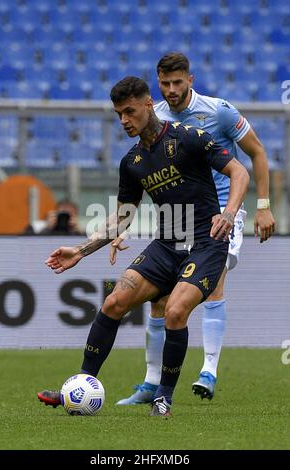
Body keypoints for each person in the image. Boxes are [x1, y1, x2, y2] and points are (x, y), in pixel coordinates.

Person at [38, 76, 249, 417]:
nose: (124, 120)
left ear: (148, 104)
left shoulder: (189, 138)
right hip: (166, 245)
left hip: (206, 245)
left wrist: (229, 213)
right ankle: (79, 386)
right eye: (118, 114)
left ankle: (163, 397)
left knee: (176, 310)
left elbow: (239, 172)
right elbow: (122, 218)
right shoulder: (132, 162)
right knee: (114, 300)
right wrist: (80, 251)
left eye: (129, 111)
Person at [110, 53, 275, 405]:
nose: (171, 90)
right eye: (165, 84)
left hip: (222, 214)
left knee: (212, 285)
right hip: (179, 219)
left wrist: (262, 205)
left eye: (177, 83)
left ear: (191, 80)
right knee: (160, 301)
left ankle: (209, 371)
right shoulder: (157, 121)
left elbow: (257, 153)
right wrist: (120, 226)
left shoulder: (219, 111)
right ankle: (150, 383)